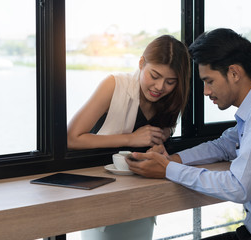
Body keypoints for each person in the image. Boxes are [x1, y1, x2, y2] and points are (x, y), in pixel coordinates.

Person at [126, 28, 251, 240]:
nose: (205, 91)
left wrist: (168, 169)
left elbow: (240, 187)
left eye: (209, 81)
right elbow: (223, 146)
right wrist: (172, 159)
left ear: (234, 73)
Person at [67, 35, 191, 240]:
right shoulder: (114, 85)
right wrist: (130, 139)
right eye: (154, 75)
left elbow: (160, 142)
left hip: (143, 196)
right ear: (141, 63)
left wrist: (159, 148)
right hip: (102, 192)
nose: (160, 87)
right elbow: (72, 138)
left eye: (170, 81)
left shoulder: (171, 99)